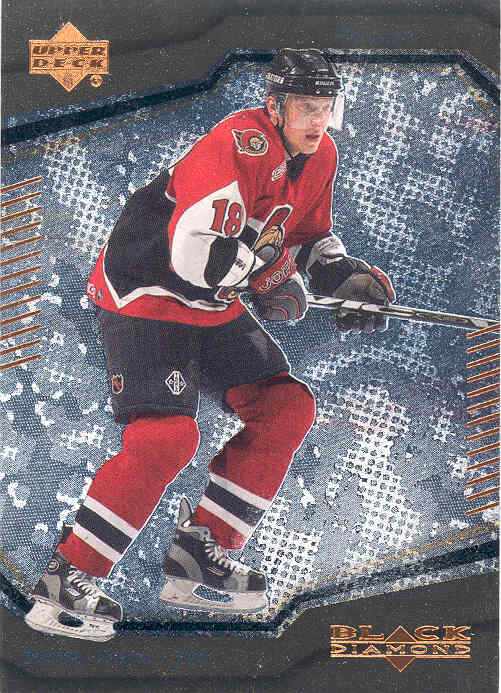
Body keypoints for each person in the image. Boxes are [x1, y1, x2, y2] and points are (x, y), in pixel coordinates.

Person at [25, 48, 395, 642]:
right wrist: (268, 279)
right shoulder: (237, 142)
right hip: (145, 293)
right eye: (306, 106)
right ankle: (67, 578)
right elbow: (194, 252)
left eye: (326, 106)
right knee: (167, 437)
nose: (318, 119)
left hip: (208, 302)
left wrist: (343, 278)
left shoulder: (321, 153)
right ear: (275, 106)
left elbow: (304, 237)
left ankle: (199, 559)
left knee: (285, 407)